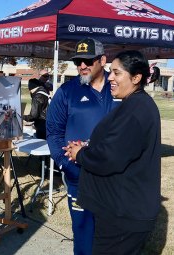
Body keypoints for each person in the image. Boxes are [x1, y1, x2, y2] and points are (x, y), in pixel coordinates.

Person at [65, 50, 160, 254]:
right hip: (121, 211)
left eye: (117, 73)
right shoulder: (134, 105)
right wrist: (88, 146)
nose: (110, 78)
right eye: (110, 72)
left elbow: (109, 158)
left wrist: (80, 154)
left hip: (124, 216)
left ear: (136, 78)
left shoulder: (136, 110)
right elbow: (119, 146)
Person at [46, 38, 118, 255]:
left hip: (114, 177)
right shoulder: (67, 91)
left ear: (102, 60)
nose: (82, 66)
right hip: (80, 177)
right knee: (84, 233)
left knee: (112, 235)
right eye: (78, 61)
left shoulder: (118, 88)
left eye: (88, 60)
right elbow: (54, 132)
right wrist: (64, 164)